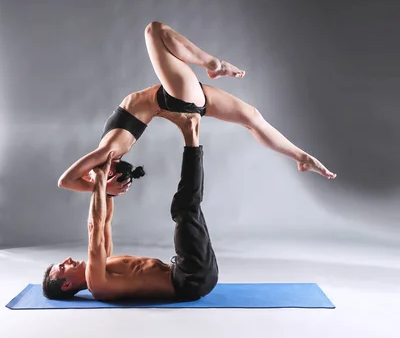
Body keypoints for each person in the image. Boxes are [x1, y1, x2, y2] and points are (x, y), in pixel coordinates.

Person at [57, 21, 336, 198]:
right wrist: (101, 187)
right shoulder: (110, 153)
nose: (88, 174)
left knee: (252, 117)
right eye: (94, 175)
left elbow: (76, 178)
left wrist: (101, 186)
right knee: (154, 31)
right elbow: (66, 181)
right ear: (109, 171)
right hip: (175, 98)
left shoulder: (111, 151)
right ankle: (214, 64)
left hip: (176, 97)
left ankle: (302, 157)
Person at [42, 113, 218, 302]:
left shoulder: (103, 264)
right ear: (67, 284)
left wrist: (109, 191)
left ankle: (192, 134)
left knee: (188, 207)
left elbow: (105, 222)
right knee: (184, 207)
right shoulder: (97, 283)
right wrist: (100, 178)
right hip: (189, 280)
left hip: (188, 272)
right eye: (62, 268)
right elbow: (94, 226)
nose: (67, 260)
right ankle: (191, 132)